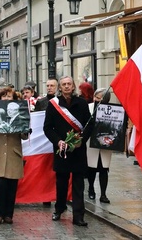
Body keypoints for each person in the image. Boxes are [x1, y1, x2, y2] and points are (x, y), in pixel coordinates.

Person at [43, 76, 93, 227]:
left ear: (73, 87)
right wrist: (58, 141)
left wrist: (81, 140)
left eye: (69, 84)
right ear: (60, 87)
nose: (66, 87)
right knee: (61, 182)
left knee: (78, 184)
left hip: (78, 150)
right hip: (61, 150)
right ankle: (59, 208)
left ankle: (78, 215)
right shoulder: (53, 105)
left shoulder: (82, 103)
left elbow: (89, 125)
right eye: (63, 84)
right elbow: (47, 128)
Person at [0, 88, 29, 224]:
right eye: (3, 96)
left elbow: (24, 135)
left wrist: (25, 129)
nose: (6, 98)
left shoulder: (19, 113)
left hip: (12, 153)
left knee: (11, 186)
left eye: (9, 96)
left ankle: (9, 214)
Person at [86, 88, 112, 203]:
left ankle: (103, 194)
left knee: (104, 169)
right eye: (95, 97)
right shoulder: (88, 107)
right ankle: (91, 189)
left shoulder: (112, 109)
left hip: (106, 144)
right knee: (91, 168)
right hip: (91, 143)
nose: (95, 99)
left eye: (98, 98)